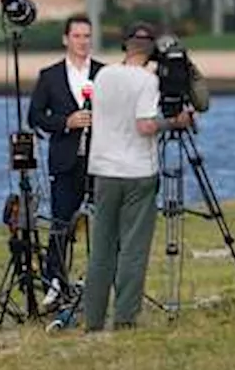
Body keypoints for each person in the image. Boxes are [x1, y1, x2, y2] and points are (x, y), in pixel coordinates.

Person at [82, 21, 192, 331]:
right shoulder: (146, 81)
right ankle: (125, 317)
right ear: (153, 49)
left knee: (102, 249)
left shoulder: (102, 75)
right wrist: (175, 121)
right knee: (132, 248)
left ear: (124, 46)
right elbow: (145, 125)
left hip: (103, 169)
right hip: (137, 171)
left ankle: (93, 320)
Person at [26, 14, 103, 302]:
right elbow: (35, 116)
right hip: (65, 159)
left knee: (103, 222)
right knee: (60, 222)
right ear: (65, 39)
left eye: (87, 36)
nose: (82, 42)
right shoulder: (50, 76)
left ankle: (102, 279)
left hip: (99, 159)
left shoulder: (104, 73)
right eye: (77, 36)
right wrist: (66, 122)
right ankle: (55, 282)